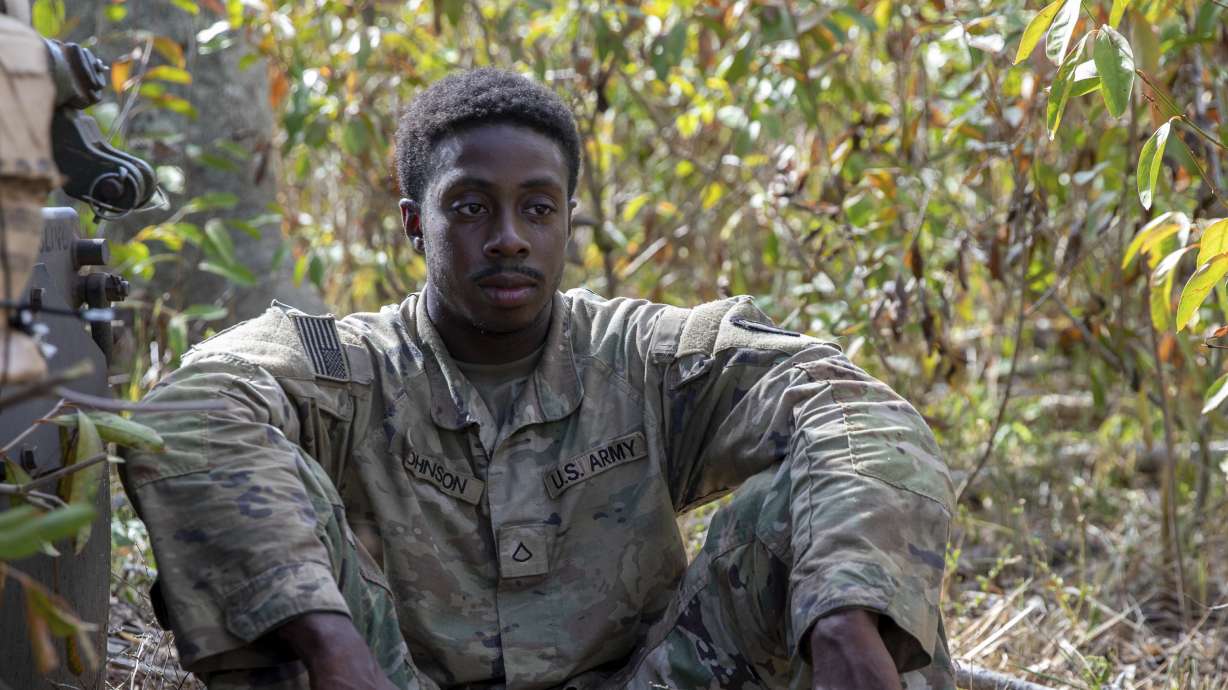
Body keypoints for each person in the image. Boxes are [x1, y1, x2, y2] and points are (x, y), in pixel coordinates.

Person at [123, 68, 956, 690]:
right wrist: (328, 642)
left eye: (539, 207)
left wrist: (845, 614)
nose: (511, 237)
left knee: (819, 534)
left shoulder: (644, 354)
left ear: (567, 222)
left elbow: (853, 412)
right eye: (472, 207)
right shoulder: (348, 366)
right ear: (417, 223)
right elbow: (188, 413)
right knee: (259, 503)